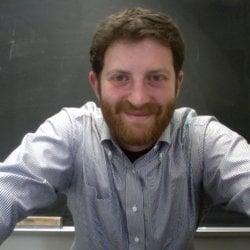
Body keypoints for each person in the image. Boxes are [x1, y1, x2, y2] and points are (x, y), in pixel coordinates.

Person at [0, 7, 249, 250]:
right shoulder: (71, 133)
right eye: (120, 78)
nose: (138, 99)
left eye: (156, 77)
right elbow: (8, 189)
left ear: (177, 83)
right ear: (96, 85)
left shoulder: (201, 140)